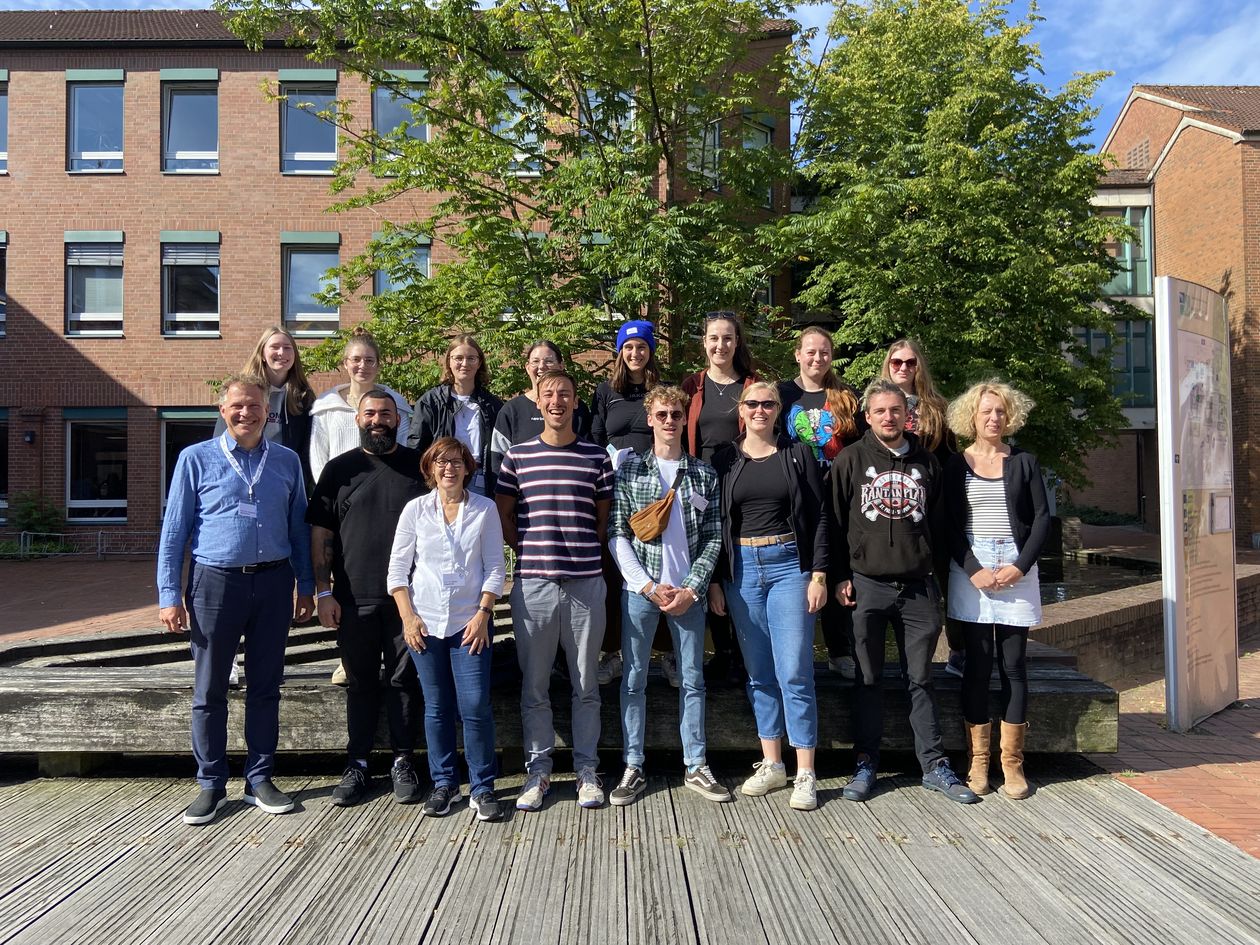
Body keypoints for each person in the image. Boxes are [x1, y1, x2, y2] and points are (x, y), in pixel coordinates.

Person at [158, 373, 315, 825]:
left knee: (266, 686)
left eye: (255, 406)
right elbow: (174, 533)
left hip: (271, 583)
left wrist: (305, 585)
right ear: (223, 411)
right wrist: (170, 594)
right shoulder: (195, 459)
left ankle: (259, 777)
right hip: (215, 584)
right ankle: (210, 783)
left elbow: (299, 529)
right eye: (237, 407)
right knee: (209, 689)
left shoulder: (286, 461)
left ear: (268, 412)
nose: (246, 413)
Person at [830, 378, 977, 805]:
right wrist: (839, 575)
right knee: (868, 678)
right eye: (880, 411)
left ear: (906, 415)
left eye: (895, 411)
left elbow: (944, 524)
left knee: (921, 678)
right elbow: (835, 523)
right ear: (868, 416)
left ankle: (933, 764)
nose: (888, 417)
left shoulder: (928, 463)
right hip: (866, 586)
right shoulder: (851, 461)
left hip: (917, 589)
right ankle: (866, 762)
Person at [496, 369, 614, 811]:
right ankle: (538, 772)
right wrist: (527, 548)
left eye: (565, 394)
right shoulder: (518, 457)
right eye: (550, 395)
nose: (557, 401)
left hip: (585, 583)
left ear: (574, 401)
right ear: (539, 402)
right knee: (536, 686)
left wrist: (582, 550)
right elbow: (504, 515)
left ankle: (587, 771)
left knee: (586, 685)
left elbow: (603, 520)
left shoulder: (596, 456)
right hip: (535, 586)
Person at [709, 382, 829, 812]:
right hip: (742, 569)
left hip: (789, 567)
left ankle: (806, 771)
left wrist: (819, 574)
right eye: (752, 404)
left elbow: (818, 518)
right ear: (741, 410)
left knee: (794, 669)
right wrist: (718, 579)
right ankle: (773, 762)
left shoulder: (797, 456)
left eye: (768, 403)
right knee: (759, 671)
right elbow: (716, 524)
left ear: (779, 410)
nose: (760, 410)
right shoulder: (725, 458)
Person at [608, 385, 730, 806]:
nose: (669, 422)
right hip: (641, 592)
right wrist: (645, 584)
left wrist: (693, 588)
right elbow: (617, 534)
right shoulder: (630, 472)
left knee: (693, 681)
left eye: (676, 414)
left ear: (684, 419)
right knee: (634, 680)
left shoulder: (703, 475)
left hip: (687, 594)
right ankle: (633, 765)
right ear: (649, 419)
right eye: (661, 415)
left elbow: (714, 538)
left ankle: (696, 764)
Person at [307, 389, 426, 808]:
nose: (378, 420)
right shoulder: (339, 470)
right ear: (358, 418)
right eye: (370, 413)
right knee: (359, 683)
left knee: (403, 681)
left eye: (386, 414)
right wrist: (323, 591)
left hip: (409, 601)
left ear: (399, 419)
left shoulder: (420, 467)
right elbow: (321, 534)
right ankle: (356, 763)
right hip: (352, 596)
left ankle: (402, 760)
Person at [389, 437, 507, 822]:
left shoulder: (485, 509)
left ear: (468, 468)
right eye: (441, 462)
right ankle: (444, 784)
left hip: (469, 624)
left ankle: (482, 786)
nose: (449, 468)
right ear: (430, 469)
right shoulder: (415, 511)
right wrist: (408, 617)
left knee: (474, 706)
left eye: (456, 462)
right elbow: (397, 571)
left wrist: (483, 613)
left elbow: (495, 567)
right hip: (424, 625)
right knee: (437, 708)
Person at [944, 381, 1049, 800]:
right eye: (986, 411)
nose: (993, 418)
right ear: (972, 416)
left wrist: (1020, 566)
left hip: (1015, 563)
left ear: (1010, 417)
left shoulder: (1025, 461)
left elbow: (1041, 518)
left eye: (1000, 412)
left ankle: (1012, 764)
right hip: (973, 565)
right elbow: (947, 524)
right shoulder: (956, 464)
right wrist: (973, 569)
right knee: (976, 664)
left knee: (1013, 664)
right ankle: (978, 761)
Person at [778, 326, 863, 681]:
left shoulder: (845, 395)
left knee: (839, 568)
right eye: (810, 352)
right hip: (795, 494)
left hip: (837, 492)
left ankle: (840, 649)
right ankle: (792, 654)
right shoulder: (781, 394)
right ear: (797, 354)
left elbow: (859, 446)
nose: (817, 358)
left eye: (824, 352)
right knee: (801, 568)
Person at [681, 312, 758, 687]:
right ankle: (722, 651)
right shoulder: (693, 385)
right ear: (704, 343)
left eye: (728, 338)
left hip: (742, 482)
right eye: (714, 338)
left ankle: (746, 654)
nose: (720, 345)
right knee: (708, 562)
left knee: (739, 561)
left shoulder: (752, 385)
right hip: (701, 484)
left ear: (737, 343)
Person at [880, 338, 965, 677]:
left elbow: (951, 460)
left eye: (910, 362)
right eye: (896, 362)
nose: (903, 368)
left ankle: (957, 649)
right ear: (887, 365)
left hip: (932, 509)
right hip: (888, 506)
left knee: (948, 578)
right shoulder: (873, 405)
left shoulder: (939, 409)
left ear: (919, 367)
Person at [592, 320, 666, 685]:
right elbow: (593, 438)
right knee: (611, 567)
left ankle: (667, 652)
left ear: (650, 350)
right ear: (620, 352)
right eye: (628, 347)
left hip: (655, 492)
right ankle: (612, 653)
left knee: (662, 566)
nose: (635, 353)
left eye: (641, 347)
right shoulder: (606, 391)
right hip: (614, 489)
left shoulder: (661, 391)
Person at [219, 326, 316, 491]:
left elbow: (306, 452)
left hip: (282, 484)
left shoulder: (303, 398)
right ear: (262, 354)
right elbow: (221, 440)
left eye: (287, 348)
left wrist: (300, 484)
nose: (281, 353)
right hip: (240, 479)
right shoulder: (240, 391)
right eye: (275, 347)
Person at [309, 328, 412, 482]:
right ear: (345, 363)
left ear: (378, 364)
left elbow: (403, 450)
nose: (363, 365)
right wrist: (328, 489)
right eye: (356, 359)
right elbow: (318, 457)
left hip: (385, 488)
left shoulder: (396, 405)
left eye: (369, 360)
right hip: (338, 491)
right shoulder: (326, 406)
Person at [407, 334, 502, 497]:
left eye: (471, 358)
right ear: (449, 362)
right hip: (443, 478)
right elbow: (416, 447)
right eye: (458, 358)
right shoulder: (431, 401)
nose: (465, 363)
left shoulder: (492, 405)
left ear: (479, 363)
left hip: (481, 479)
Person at [488, 339, 592, 481]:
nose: (541, 366)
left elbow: (589, 454)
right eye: (535, 361)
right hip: (523, 498)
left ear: (561, 366)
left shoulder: (576, 408)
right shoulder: (511, 410)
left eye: (548, 361)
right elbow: (497, 461)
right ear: (527, 367)